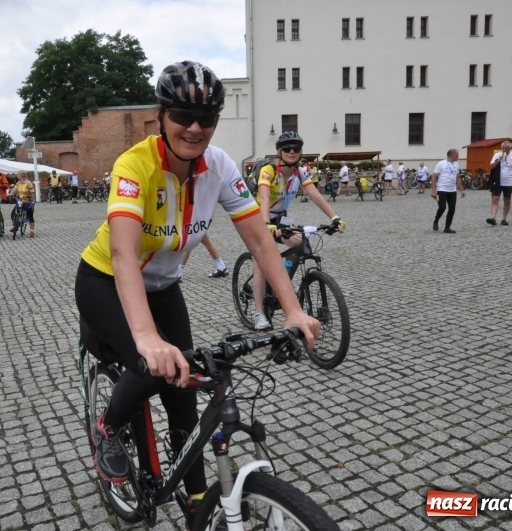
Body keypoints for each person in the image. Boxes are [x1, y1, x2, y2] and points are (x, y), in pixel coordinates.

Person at [74, 62, 320, 511]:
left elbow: (260, 241)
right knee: (151, 366)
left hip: (164, 287)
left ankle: (197, 500)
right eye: (182, 115)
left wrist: (293, 310)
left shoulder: (220, 167)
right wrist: (147, 338)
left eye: (205, 119)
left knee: (184, 394)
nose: (193, 127)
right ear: (161, 115)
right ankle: (107, 428)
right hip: (105, 280)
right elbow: (124, 255)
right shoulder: (135, 165)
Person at [252, 130, 345, 331]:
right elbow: (265, 198)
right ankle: (259, 313)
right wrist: (267, 224)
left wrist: (334, 217)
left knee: (299, 241)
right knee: (261, 263)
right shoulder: (269, 170)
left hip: (281, 217)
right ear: (279, 152)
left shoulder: (300, 172)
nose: (292, 151)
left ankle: (282, 280)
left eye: (296, 148)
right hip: (258, 216)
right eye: (287, 148)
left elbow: (315, 195)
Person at [431, 148, 465, 233]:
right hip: (442, 189)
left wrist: (461, 190)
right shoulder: (441, 164)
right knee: (442, 207)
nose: (458, 156)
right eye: (457, 155)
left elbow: (457, 177)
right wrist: (433, 191)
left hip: (452, 190)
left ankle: (447, 227)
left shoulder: (456, 164)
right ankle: (436, 220)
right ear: (452, 155)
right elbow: (434, 177)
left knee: (452, 209)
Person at [487, 141, 512, 226]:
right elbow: (491, 166)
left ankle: (504, 218)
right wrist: (499, 160)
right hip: (497, 181)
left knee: (507, 200)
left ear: (510, 148)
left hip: (508, 181)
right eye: (503, 148)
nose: (504, 150)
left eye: (506, 148)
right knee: (495, 199)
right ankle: (493, 218)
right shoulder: (497, 155)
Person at [9, 170, 36, 238]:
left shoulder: (28, 183)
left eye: (18, 175)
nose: (17, 176)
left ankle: (32, 231)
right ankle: (15, 226)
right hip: (20, 200)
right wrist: (10, 194)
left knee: (30, 216)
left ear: (22, 175)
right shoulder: (18, 183)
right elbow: (14, 189)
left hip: (27, 200)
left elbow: (32, 192)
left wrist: (32, 201)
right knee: (13, 214)